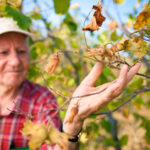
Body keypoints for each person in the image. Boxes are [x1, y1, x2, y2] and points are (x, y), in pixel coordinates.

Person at [0, 17, 141, 150]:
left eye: (21, 51)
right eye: (4, 52)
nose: (15, 61)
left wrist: (73, 123)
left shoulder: (42, 99)